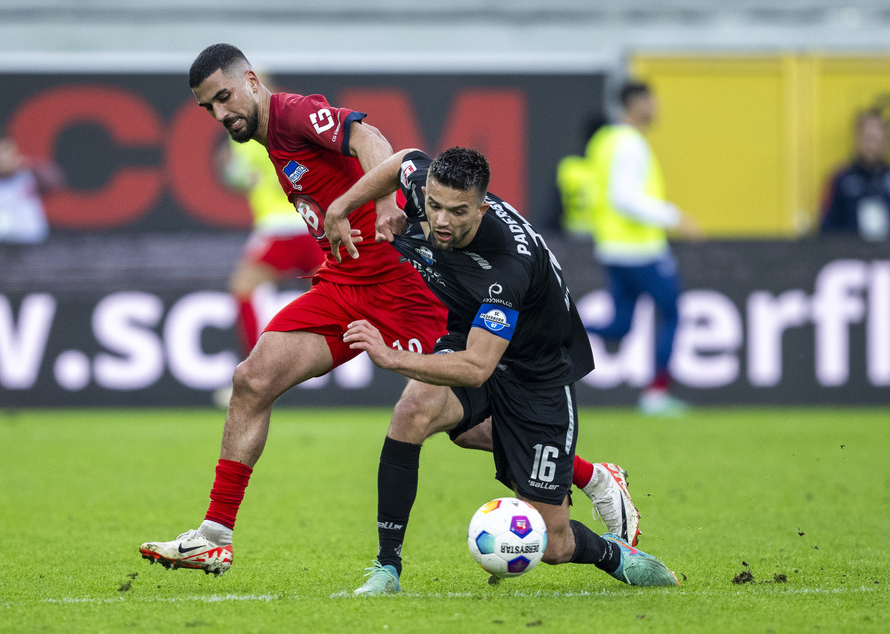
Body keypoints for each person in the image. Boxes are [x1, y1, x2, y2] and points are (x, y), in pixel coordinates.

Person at [139, 44, 638, 577]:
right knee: (252, 379)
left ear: (252, 82)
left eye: (224, 97)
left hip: (406, 291)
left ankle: (590, 475)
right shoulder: (267, 139)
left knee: (463, 425)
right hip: (344, 285)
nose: (220, 114)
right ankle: (214, 535)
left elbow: (370, 138)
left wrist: (380, 205)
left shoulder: (291, 112)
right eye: (208, 107)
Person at [329, 147, 678, 593]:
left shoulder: (506, 267)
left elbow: (476, 368)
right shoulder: (427, 189)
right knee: (413, 411)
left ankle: (614, 553)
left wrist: (389, 356)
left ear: (483, 208)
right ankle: (386, 568)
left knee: (552, 544)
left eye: (457, 212)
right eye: (433, 206)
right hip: (472, 334)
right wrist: (345, 206)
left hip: (537, 374)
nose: (440, 221)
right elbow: (402, 161)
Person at [577, 80, 701, 417]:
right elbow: (625, 198)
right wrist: (675, 217)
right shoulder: (630, 143)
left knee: (621, 325)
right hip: (640, 250)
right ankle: (657, 395)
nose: (656, 107)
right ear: (635, 103)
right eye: (651, 100)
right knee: (673, 313)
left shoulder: (604, 140)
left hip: (612, 247)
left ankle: (560, 324)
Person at [211, 138, 324, 406]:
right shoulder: (246, 133)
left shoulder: (275, 127)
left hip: (284, 226)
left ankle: (256, 374)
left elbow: (295, 169)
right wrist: (232, 173)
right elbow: (244, 178)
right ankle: (406, 360)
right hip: (309, 224)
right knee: (348, 290)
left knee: (243, 288)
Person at [819, 109, 890, 241]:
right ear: (857, 138)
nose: (872, 146)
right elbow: (826, 227)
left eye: (877, 139)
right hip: (850, 256)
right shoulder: (840, 179)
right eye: (868, 139)